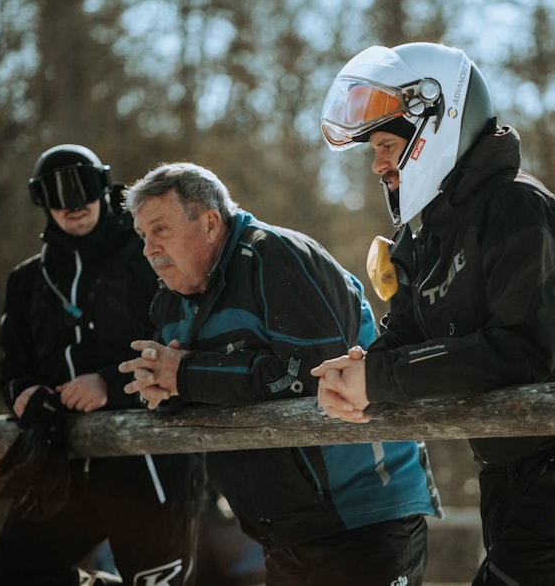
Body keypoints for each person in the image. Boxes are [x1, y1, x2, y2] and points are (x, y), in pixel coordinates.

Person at [312, 42, 555, 586]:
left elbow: (522, 349)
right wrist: (357, 372)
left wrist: (377, 377)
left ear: (433, 127)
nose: (377, 165)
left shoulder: (519, 208)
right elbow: (402, 338)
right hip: (509, 462)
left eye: (384, 145)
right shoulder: (420, 238)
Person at [117, 161, 442, 586]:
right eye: (143, 236)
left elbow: (309, 374)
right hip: (280, 534)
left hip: (362, 519)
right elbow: (195, 386)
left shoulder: (276, 255)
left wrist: (185, 376)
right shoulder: (170, 303)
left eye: (160, 229)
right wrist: (159, 387)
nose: (148, 249)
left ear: (211, 223)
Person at [0, 144, 204, 586]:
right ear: (41, 200)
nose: (75, 204)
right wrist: (26, 395)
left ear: (103, 185)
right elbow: (14, 366)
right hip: (63, 466)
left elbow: (183, 344)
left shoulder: (150, 257)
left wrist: (109, 384)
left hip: (149, 464)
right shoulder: (28, 281)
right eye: (58, 194)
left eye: (83, 188)